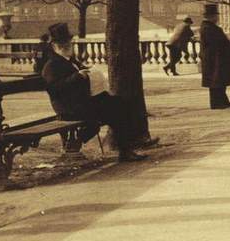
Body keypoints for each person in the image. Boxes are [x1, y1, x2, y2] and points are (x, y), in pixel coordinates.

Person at [41, 22, 152, 162]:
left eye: (68, 43)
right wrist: (77, 76)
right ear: (54, 46)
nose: (66, 46)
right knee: (115, 109)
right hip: (69, 108)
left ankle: (126, 149)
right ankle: (122, 149)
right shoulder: (52, 65)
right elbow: (54, 90)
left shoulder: (70, 60)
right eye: (61, 44)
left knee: (120, 103)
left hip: (82, 103)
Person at [198, 3, 230, 109]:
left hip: (216, 58)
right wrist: (227, 40)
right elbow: (215, 42)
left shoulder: (210, 27)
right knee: (215, 81)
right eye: (216, 15)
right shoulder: (207, 27)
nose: (217, 17)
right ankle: (216, 103)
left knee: (220, 81)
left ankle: (223, 100)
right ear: (211, 16)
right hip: (214, 59)